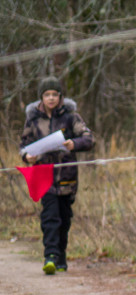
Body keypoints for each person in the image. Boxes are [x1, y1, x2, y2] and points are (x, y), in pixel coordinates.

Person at [20, 76, 94, 274]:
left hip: (67, 175)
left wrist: (73, 144)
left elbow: (88, 138)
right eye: (47, 95)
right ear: (41, 98)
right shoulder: (33, 119)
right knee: (50, 216)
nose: (51, 98)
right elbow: (23, 147)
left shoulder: (71, 116)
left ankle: (60, 256)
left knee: (64, 217)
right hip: (44, 175)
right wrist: (28, 157)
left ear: (60, 96)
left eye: (54, 94)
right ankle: (50, 255)